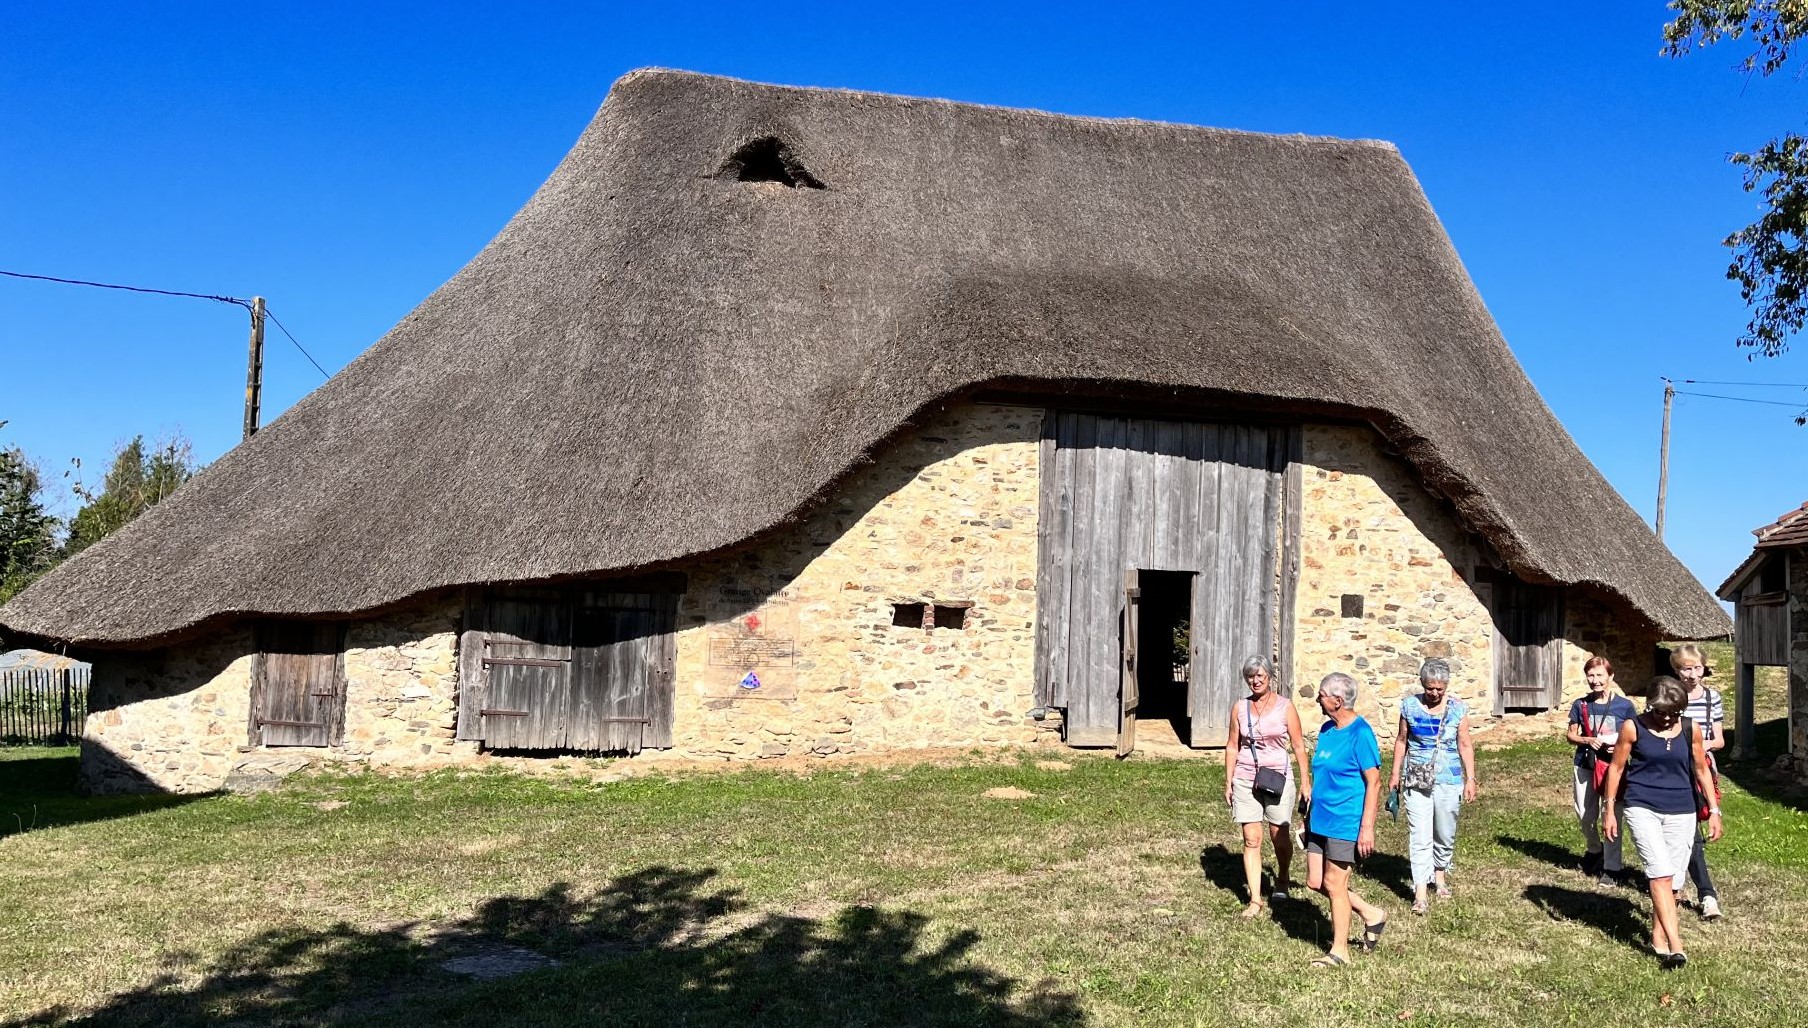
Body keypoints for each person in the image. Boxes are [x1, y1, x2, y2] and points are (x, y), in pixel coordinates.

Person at [1603, 676, 1724, 970]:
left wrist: (1714, 810)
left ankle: (1658, 935)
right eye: (1660, 712)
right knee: (1659, 874)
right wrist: (1609, 810)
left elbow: (1701, 769)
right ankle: (1676, 947)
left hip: (1683, 810)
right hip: (1642, 806)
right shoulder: (1633, 727)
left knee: (1674, 882)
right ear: (1650, 706)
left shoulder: (1690, 729)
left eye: (1673, 713)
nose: (1667, 718)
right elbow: (1616, 768)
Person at [1303, 672, 1387, 968]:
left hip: (1345, 820)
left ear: (1337, 700)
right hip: (1319, 819)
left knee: (1335, 883)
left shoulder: (1360, 734)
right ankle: (1372, 914)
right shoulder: (1327, 730)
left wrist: (1366, 828)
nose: (1318, 699)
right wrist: (1307, 815)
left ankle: (1339, 951)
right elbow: (1322, 774)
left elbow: (1374, 782)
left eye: (1322, 694)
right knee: (1315, 881)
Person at [1222, 655, 1313, 918]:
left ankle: (1282, 877)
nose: (1255, 681)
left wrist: (1305, 781)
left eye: (1260, 676)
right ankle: (1255, 899)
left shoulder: (1286, 707)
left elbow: (1298, 745)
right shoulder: (1240, 708)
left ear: (1270, 677)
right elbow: (1232, 745)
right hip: (1245, 777)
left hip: (1277, 778)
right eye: (1250, 677)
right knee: (1252, 839)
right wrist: (1228, 780)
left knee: (1278, 834)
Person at [1387, 659, 1477, 915]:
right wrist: (1395, 773)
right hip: (1416, 778)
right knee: (1420, 834)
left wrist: (1470, 779)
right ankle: (1420, 892)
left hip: (1449, 779)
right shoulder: (1409, 707)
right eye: (1430, 688)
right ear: (1422, 684)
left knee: (1444, 831)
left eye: (1439, 688)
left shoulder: (1458, 709)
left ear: (1446, 686)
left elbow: (1465, 744)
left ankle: (1440, 874)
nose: (1434, 693)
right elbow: (1402, 740)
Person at [1566, 656, 1637, 886]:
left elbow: (1635, 736)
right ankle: (1595, 849)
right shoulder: (1580, 705)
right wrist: (1587, 740)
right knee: (1585, 814)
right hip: (1586, 764)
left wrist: (1621, 746)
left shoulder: (1625, 706)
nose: (1595, 680)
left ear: (1610, 676)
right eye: (1591, 675)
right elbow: (1571, 735)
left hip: (1614, 767)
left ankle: (1612, 867)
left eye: (1600, 675)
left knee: (1612, 813)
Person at [1671, 643, 1725, 920]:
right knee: (1681, 833)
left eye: (1697, 668)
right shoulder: (1669, 695)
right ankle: (1686, 888)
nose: (1692, 674)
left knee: (1692, 833)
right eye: (1685, 669)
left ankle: (1704, 894)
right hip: (1672, 769)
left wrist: (1700, 745)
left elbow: (1719, 739)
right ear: (1676, 671)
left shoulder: (1712, 698)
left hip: (1700, 768)